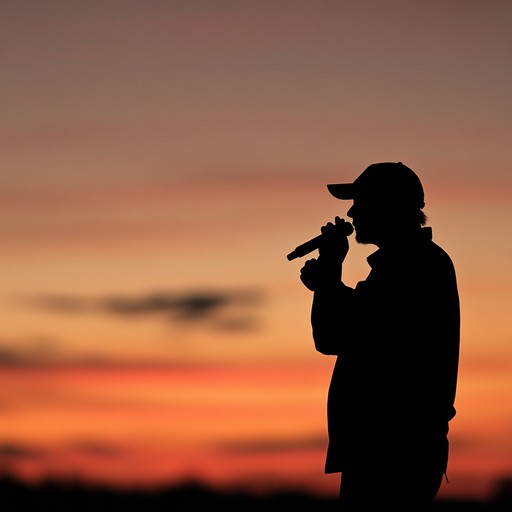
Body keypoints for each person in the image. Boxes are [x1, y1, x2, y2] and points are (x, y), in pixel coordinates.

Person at [298, 162, 460, 511]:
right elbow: (354, 328)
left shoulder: (413, 267)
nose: (352, 211)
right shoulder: (410, 264)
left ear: (388, 206)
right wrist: (329, 281)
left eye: (362, 201)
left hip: (392, 451)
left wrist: (328, 280)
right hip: (389, 449)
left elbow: (336, 336)